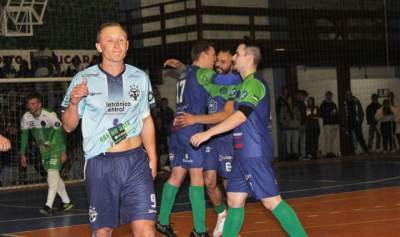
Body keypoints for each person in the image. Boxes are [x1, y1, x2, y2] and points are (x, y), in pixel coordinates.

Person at [190, 43, 308, 237]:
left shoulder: (255, 83)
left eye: (237, 54)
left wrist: (208, 133)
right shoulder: (242, 85)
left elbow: (240, 116)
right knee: (234, 200)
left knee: (272, 202)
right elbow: (216, 89)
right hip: (241, 155)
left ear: (249, 58)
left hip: (255, 154)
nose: (234, 58)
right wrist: (194, 73)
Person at [61, 22, 157, 237]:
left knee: (146, 229)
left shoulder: (140, 78)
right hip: (101, 163)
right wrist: (74, 102)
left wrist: (152, 158)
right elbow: (68, 126)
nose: (116, 45)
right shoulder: (83, 79)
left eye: (121, 40)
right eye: (110, 41)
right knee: (104, 231)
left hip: (136, 162)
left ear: (128, 44)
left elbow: (146, 119)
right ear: (98, 47)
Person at [172, 48, 241, 237]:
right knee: (208, 181)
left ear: (232, 66)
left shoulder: (234, 83)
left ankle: (233, 225)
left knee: (229, 184)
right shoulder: (208, 78)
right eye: (217, 60)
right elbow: (196, 73)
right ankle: (222, 215)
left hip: (226, 137)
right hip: (208, 137)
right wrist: (182, 67)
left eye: (223, 62)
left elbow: (226, 115)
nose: (218, 64)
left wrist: (195, 119)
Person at [156, 41, 218, 237]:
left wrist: (182, 65)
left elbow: (191, 71)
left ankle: (162, 220)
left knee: (176, 175)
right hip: (191, 128)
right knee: (197, 178)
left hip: (177, 128)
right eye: (214, 54)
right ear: (205, 54)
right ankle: (200, 230)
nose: (215, 59)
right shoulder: (205, 73)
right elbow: (220, 81)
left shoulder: (185, 73)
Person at [20, 93, 73, 215]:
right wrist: (22, 153)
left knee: (51, 174)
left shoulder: (50, 115)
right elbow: (24, 135)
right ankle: (66, 202)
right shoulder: (26, 117)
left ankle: (48, 206)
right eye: (29, 104)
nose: (30, 106)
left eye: (33, 103)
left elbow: (62, 132)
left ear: (39, 104)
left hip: (56, 148)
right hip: (43, 151)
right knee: (55, 177)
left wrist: (63, 151)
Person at [319, 91, 339, 157]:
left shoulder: (333, 104)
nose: (329, 97)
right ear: (326, 96)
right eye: (328, 95)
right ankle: (328, 152)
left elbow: (336, 113)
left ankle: (332, 151)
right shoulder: (323, 104)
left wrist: (337, 123)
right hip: (327, 124)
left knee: (332, 139)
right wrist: (328, 113)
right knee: (328, 138)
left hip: (334, 123)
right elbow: (321, 114)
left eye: (331, 95)